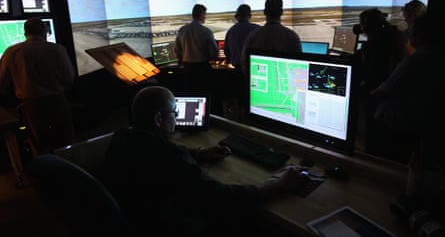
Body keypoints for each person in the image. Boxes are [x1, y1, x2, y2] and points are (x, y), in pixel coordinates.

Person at [101, 85, 309, 237]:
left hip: (136, 218)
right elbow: (223, 198)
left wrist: (200, 154)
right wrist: (278, 185)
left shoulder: (123, 137)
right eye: (175, 112)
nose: (177, 117)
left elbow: (158, 153)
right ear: (157, 119)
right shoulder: (168, 155)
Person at [369, 14, 441, 165]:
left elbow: (388, 88)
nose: (408, 33)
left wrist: (373, 94)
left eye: (411, 31)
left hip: (397, 123)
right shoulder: (434, 56)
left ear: (419, 36)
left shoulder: (416, 59)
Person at [0, 17, 76, 155]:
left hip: (31, 105)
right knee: (65, 141)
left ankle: (44, 173)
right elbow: (69, 78)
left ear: (25, 33)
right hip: (57, 100)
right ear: (44, 31)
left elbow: (2, 82)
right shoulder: (57, 49)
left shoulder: (11, 52)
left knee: (39, 143)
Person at [353, 8, 406, 157]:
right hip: (391, 100)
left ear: (364, 27)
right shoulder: (393, 41)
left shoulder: (369, 49)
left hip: (375, 97)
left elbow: (361, 75)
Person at [241, 0, 302, 73]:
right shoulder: (292, 37)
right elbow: (298, 66)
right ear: (281, 12)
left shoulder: (252, 36)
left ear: (264, 12)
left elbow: (244, 64)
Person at [174, 4, 218, 94]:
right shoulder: (206, 31)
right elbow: (213, 53)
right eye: (205, 15)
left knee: (190, 93)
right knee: (205, 93)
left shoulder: (182, 30)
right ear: (202, 15)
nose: (205, 17)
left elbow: (177, 50)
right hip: (203, 69)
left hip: (188, 69)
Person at [224, 4, 260, 69]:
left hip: (237, 68)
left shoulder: (231, 31)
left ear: (237, 17)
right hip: (254, 68)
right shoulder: (257, 29)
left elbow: (227, 51)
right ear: (249, 16)